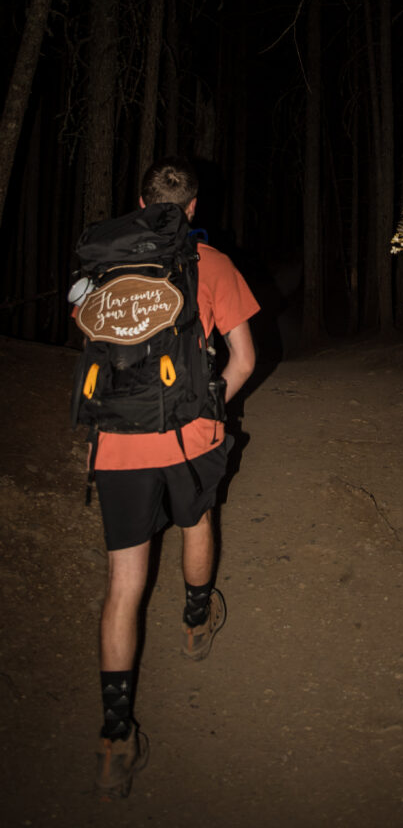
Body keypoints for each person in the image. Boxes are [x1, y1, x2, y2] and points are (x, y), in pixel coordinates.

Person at [80, 157, 260, 798]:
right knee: (198, 521)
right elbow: (245, 357)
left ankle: (115, 734)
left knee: (123, 583)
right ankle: (194, 622)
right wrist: (213, 402)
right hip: (188, 435)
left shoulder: (107, 265)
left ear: (138, 202)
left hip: (118, 442)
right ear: (191, 210)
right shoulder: (209, 263)